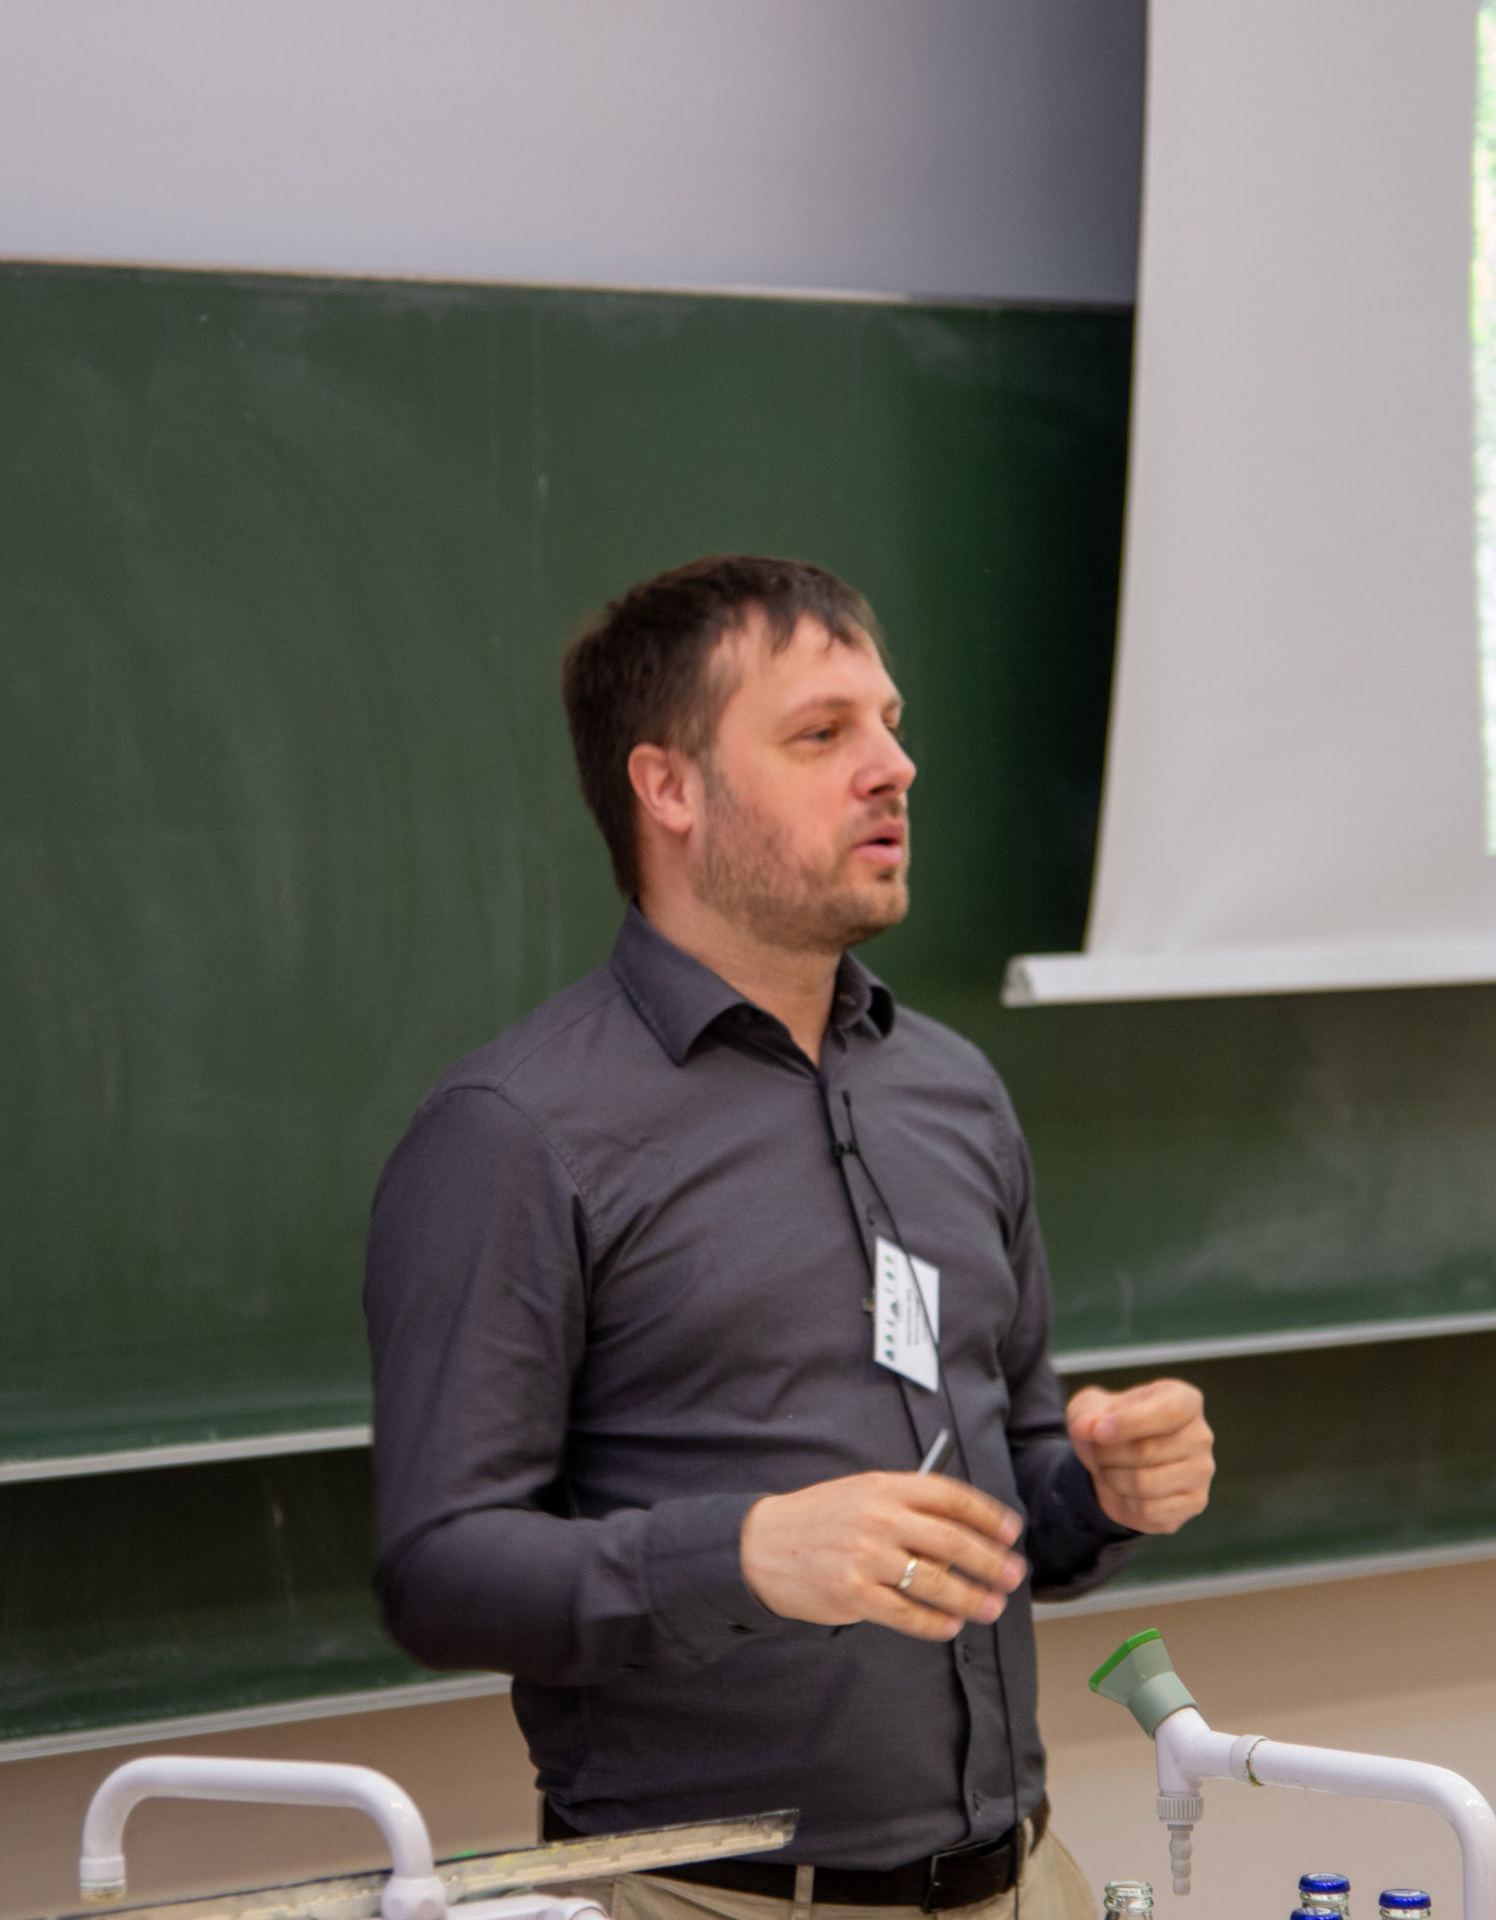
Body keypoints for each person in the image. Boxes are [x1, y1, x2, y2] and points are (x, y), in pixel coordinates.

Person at [365, 555, 1217, 1920]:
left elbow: (1018, 1495)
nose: (894, 767)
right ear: (671, 789)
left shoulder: (952, 1093)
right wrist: (746, 1555)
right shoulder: (516, 1131)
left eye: (888, 722)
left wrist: (1100, 1492)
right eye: (824, 734)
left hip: (1020, 1880)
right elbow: (438, 1569)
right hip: (713, 1899)